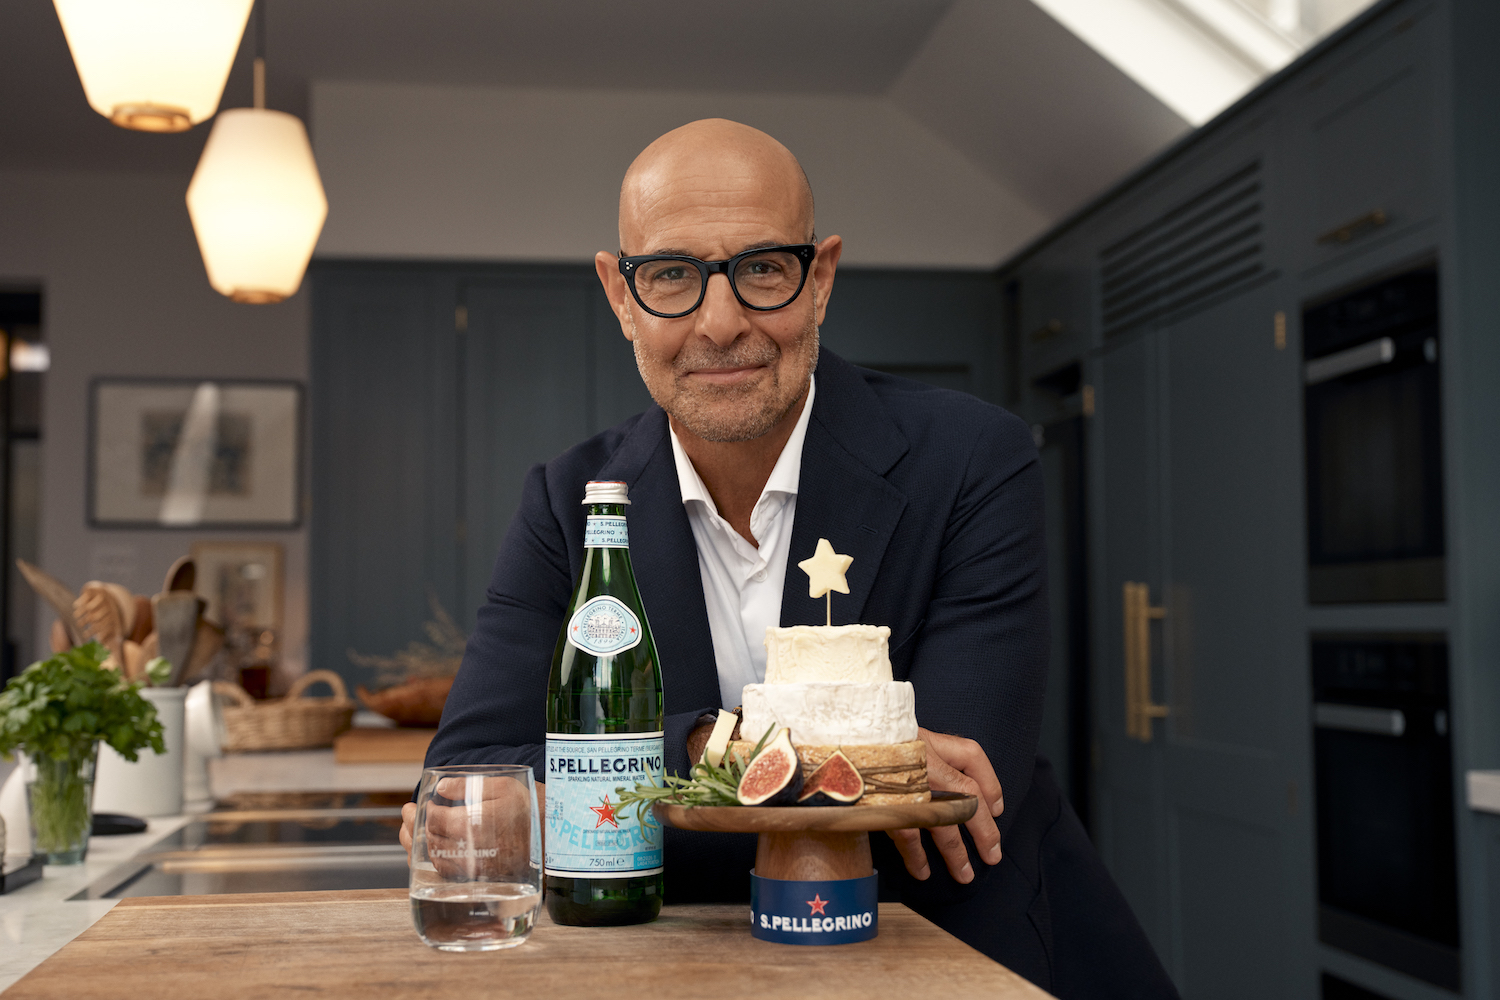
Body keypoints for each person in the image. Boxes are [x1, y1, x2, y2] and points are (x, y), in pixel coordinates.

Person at [404, 118, 1178, 1000]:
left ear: (821, 280)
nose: (721, 323)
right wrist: (719, 744)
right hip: (678, 966)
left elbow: (948, 798)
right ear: (620, 297)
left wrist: (596, 797)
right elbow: (466, 790)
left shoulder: (972, 460)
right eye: (670, 277)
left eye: (762, 270)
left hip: (956, 950)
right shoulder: (568, 504)